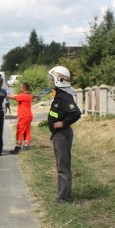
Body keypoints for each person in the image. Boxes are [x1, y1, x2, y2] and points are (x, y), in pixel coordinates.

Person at [47, 66, 82, 203]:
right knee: (60, 166)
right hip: (57, 135)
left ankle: (64, 197)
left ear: (59, 78)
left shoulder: (65, 96)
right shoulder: (58, 94)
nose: (51, 82)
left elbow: (76, 113)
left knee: (63, 166)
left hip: (62, 135)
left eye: (52, 79)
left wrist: (63, 123)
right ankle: (62, 194)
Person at [8, 82, 33, 154]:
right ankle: (26, 145)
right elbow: (17, 96)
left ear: (24, 88)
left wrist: (6, 95)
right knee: (27, 131)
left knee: (20, 131)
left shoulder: (23, 95)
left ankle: (18, 147)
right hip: (29, 116)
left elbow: (14, 97)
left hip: (23, 116)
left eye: (21, 87)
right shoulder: (28, 95)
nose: (20, 88)